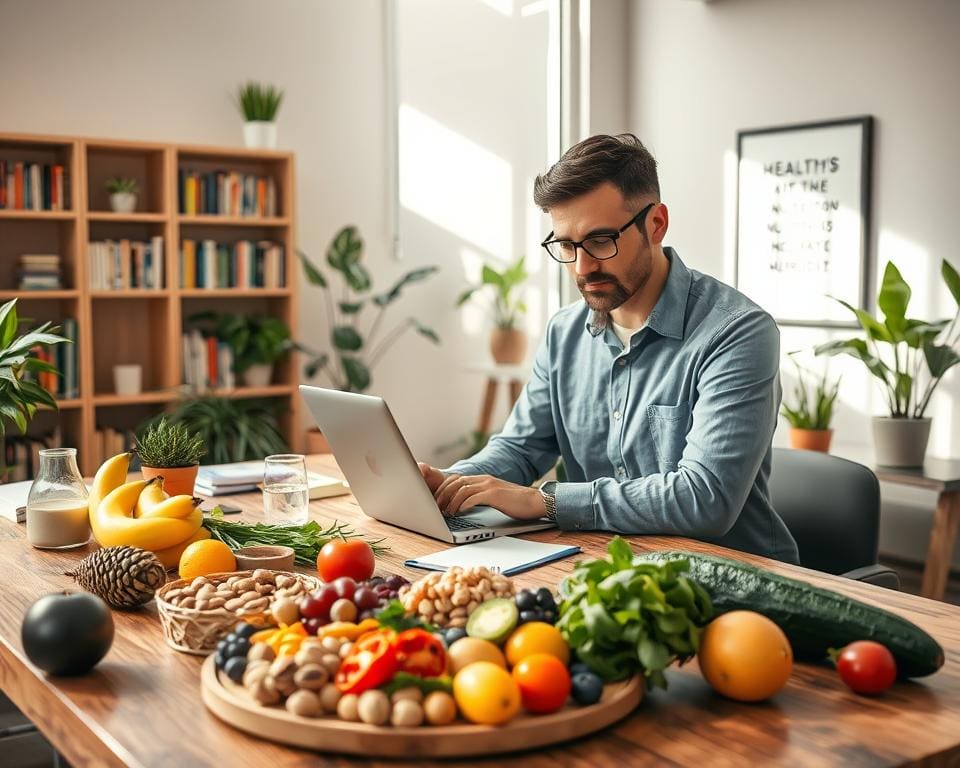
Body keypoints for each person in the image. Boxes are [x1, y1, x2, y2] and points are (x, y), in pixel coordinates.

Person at [418, 133, 799, 563]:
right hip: (606, 570)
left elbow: (703, 499)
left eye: (601, 241)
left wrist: (545, 501)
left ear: (655, 224)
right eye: (566, 245)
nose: (582, 267)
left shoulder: (737, 332)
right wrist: (445, 485)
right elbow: (521, 449)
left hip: (734, 583)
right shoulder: (565, 332)